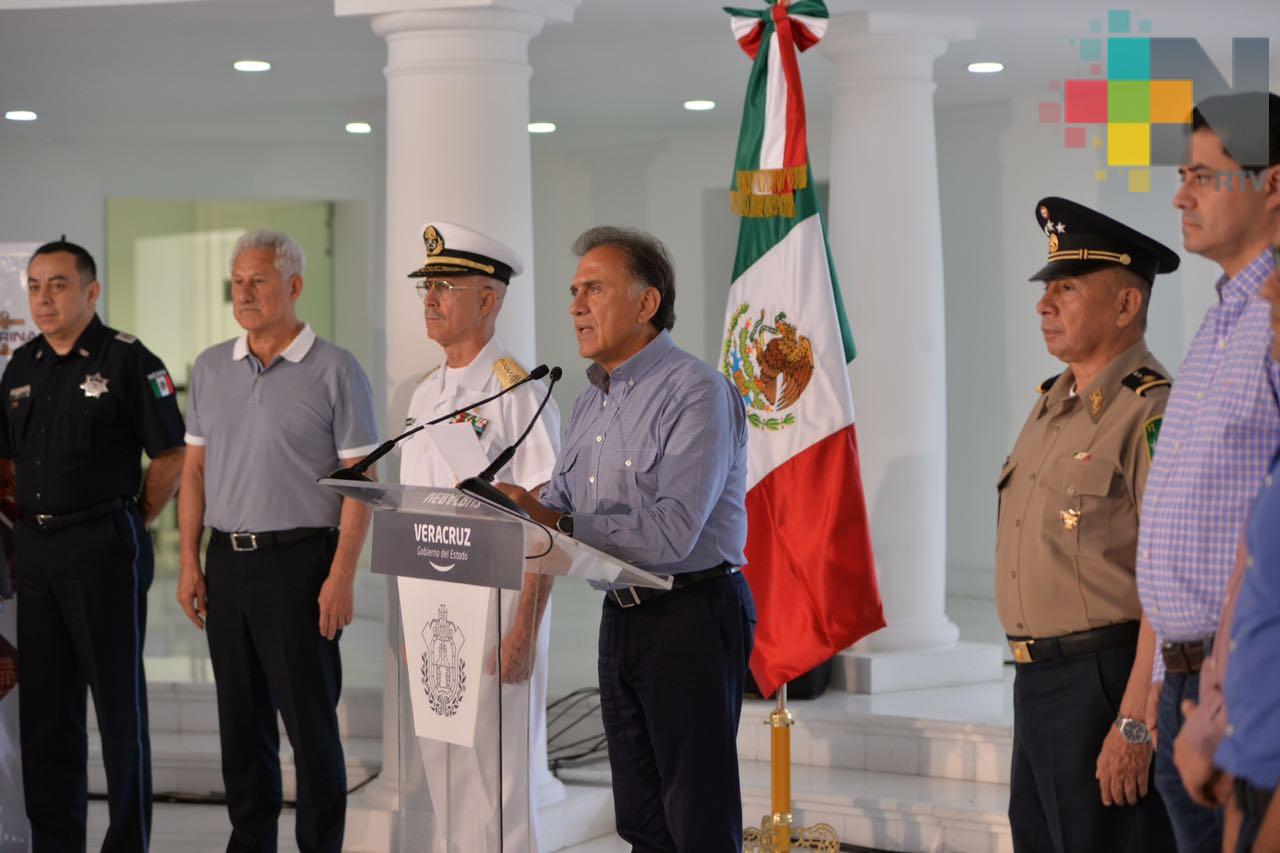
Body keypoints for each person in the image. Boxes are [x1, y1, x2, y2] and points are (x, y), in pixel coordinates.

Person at [496, 226, 756, 852]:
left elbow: (671, 531)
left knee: (697, 815)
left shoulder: (695, 391)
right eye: (573, 291)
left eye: (594, 289)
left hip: (693, 614)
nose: (575, 305)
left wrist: (552, 520)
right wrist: (496, 506)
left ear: (646, 303)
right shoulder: (588, 402)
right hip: (624, 616)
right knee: (639, 817)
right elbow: (557, 505)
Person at [176, 230, 379, 853]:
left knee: (310, 728)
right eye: (238, 281)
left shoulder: (336, 368)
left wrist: (341, 576)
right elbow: (194, 472)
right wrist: (188, 562)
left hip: (300, 565)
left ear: (293, 286)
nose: (245, 292)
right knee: (241, 727)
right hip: (225, 563)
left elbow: (361, 482)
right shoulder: (211, 366)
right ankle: (251, 843)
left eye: (258, 280)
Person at [996, 198, 1179, 852]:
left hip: (1106, 682)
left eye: (1066, 289)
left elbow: (1172, 579)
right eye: (1047, 290)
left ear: (1126, 306)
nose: (1044, 305)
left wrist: (1136, 719)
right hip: (1037, 683)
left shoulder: (1149, 411)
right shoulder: (1051, 405)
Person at [0, 238, 185, 851]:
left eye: (57, 284)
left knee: (118, 711)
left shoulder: (129, 360)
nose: (43, 298)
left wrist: (134, 517)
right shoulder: (20, 366)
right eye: (33, 286)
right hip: (37, 553)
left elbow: (171, 454)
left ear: (91, 290)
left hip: (102, 550)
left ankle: (127, 842)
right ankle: (58, 842)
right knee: (46, 716)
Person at [1136, 91, 1280, 853]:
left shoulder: (1274, 320)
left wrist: (1221, 691)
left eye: (1202, 174)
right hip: (1186, 679)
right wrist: (1166, 677)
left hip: (1243, 682)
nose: (1179, 194)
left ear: (1273, 186)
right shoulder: (1223, 315)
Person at [397, 221, 561, 852]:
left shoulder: (515, 389)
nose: (431, 298)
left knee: (500, 767)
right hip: (433, 601)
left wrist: (525, 626)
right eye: (427, 287)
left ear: (489, 300)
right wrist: (415, 620)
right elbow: (411, 512)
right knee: (443, 761)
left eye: (446, 286)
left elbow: (545, 512)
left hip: (497, 600)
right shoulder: (425, 393)